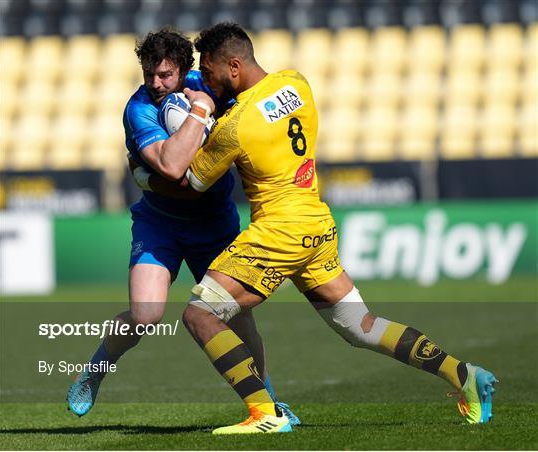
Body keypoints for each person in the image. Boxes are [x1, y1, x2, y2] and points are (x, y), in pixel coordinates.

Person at [148, 22, 498, 435]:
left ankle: (266, 413)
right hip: (316, 223)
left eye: (208, 72)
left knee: (201, 314)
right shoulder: (297, 82)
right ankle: (464, 375)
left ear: (234, 67)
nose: (204, 80)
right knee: (360, 326)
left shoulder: (235, 126)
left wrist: (176, 137)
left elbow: (189, 181)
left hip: (278, 232)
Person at [66, 28, 299, 425]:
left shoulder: (207, 84)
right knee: (145, 316)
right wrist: (200, 112)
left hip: (215, 222)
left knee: (239, 319)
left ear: (186, 71)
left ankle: (268, 401)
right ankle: (95, 370)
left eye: (165, 75)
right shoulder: (139, 109)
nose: (156, 84)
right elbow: (173, 168)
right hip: (161, 224)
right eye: (149, 74)